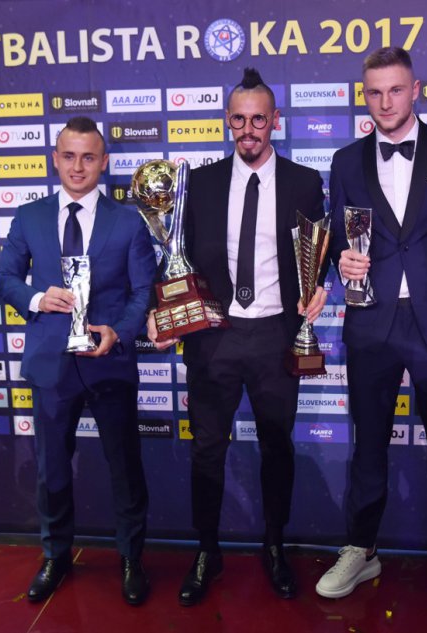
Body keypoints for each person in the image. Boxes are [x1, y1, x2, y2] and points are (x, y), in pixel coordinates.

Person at [315, 47, 427, 619]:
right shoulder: (346, 161)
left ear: (415, 90)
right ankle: (361, 550)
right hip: (372, 322)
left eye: (395, 90)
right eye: (374, 92)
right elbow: (338, 235)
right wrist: (341, 260)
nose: (385, 102)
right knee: (368, 446)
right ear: (363, 96)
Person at [147, 68, 327, 605]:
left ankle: (274, 546)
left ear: (275, 121)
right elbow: (175, 257)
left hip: (276, 336)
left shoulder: (304, 182)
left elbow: (319, 255)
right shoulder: (198, 184)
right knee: (206, 450)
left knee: (277, 447)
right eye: (239, 120)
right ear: (227, 121)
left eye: (259, 120)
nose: (249, 130)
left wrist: (321, 288)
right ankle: (208, 550)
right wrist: (162, 312)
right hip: (214, 337)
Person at [0, 116, 157, 606]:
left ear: (103, 162)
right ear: (55, 159)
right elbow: (5, 278)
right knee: (52, 470)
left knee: (125, 467)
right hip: (51, 363)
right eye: (69, 156)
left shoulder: (128, 221)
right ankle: (56, 556)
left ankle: (131, 558)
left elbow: (143, 291)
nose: (78, 166)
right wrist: (37, 297)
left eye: (88, 157)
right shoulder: (29, 217)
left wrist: (119, 331)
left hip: (108, 361)